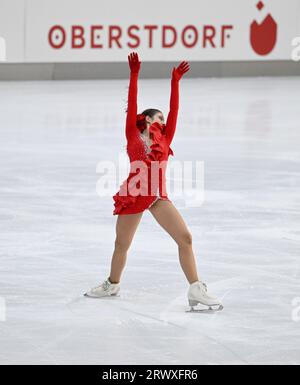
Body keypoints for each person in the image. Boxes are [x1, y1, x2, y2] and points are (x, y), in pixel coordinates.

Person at [85, 52, 223, 312]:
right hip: (136, 193)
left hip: (158, 196)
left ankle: (196, 289)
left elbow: (175, 110)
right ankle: (112, 283)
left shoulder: (166, 138)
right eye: (158, 118)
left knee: (186, 238)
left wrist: (176, 82)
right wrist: (134, 74)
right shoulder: (133, 136)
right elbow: (134, 101)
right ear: (147, 120)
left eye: (163, 118)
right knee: (121, 244)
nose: (163, 121)